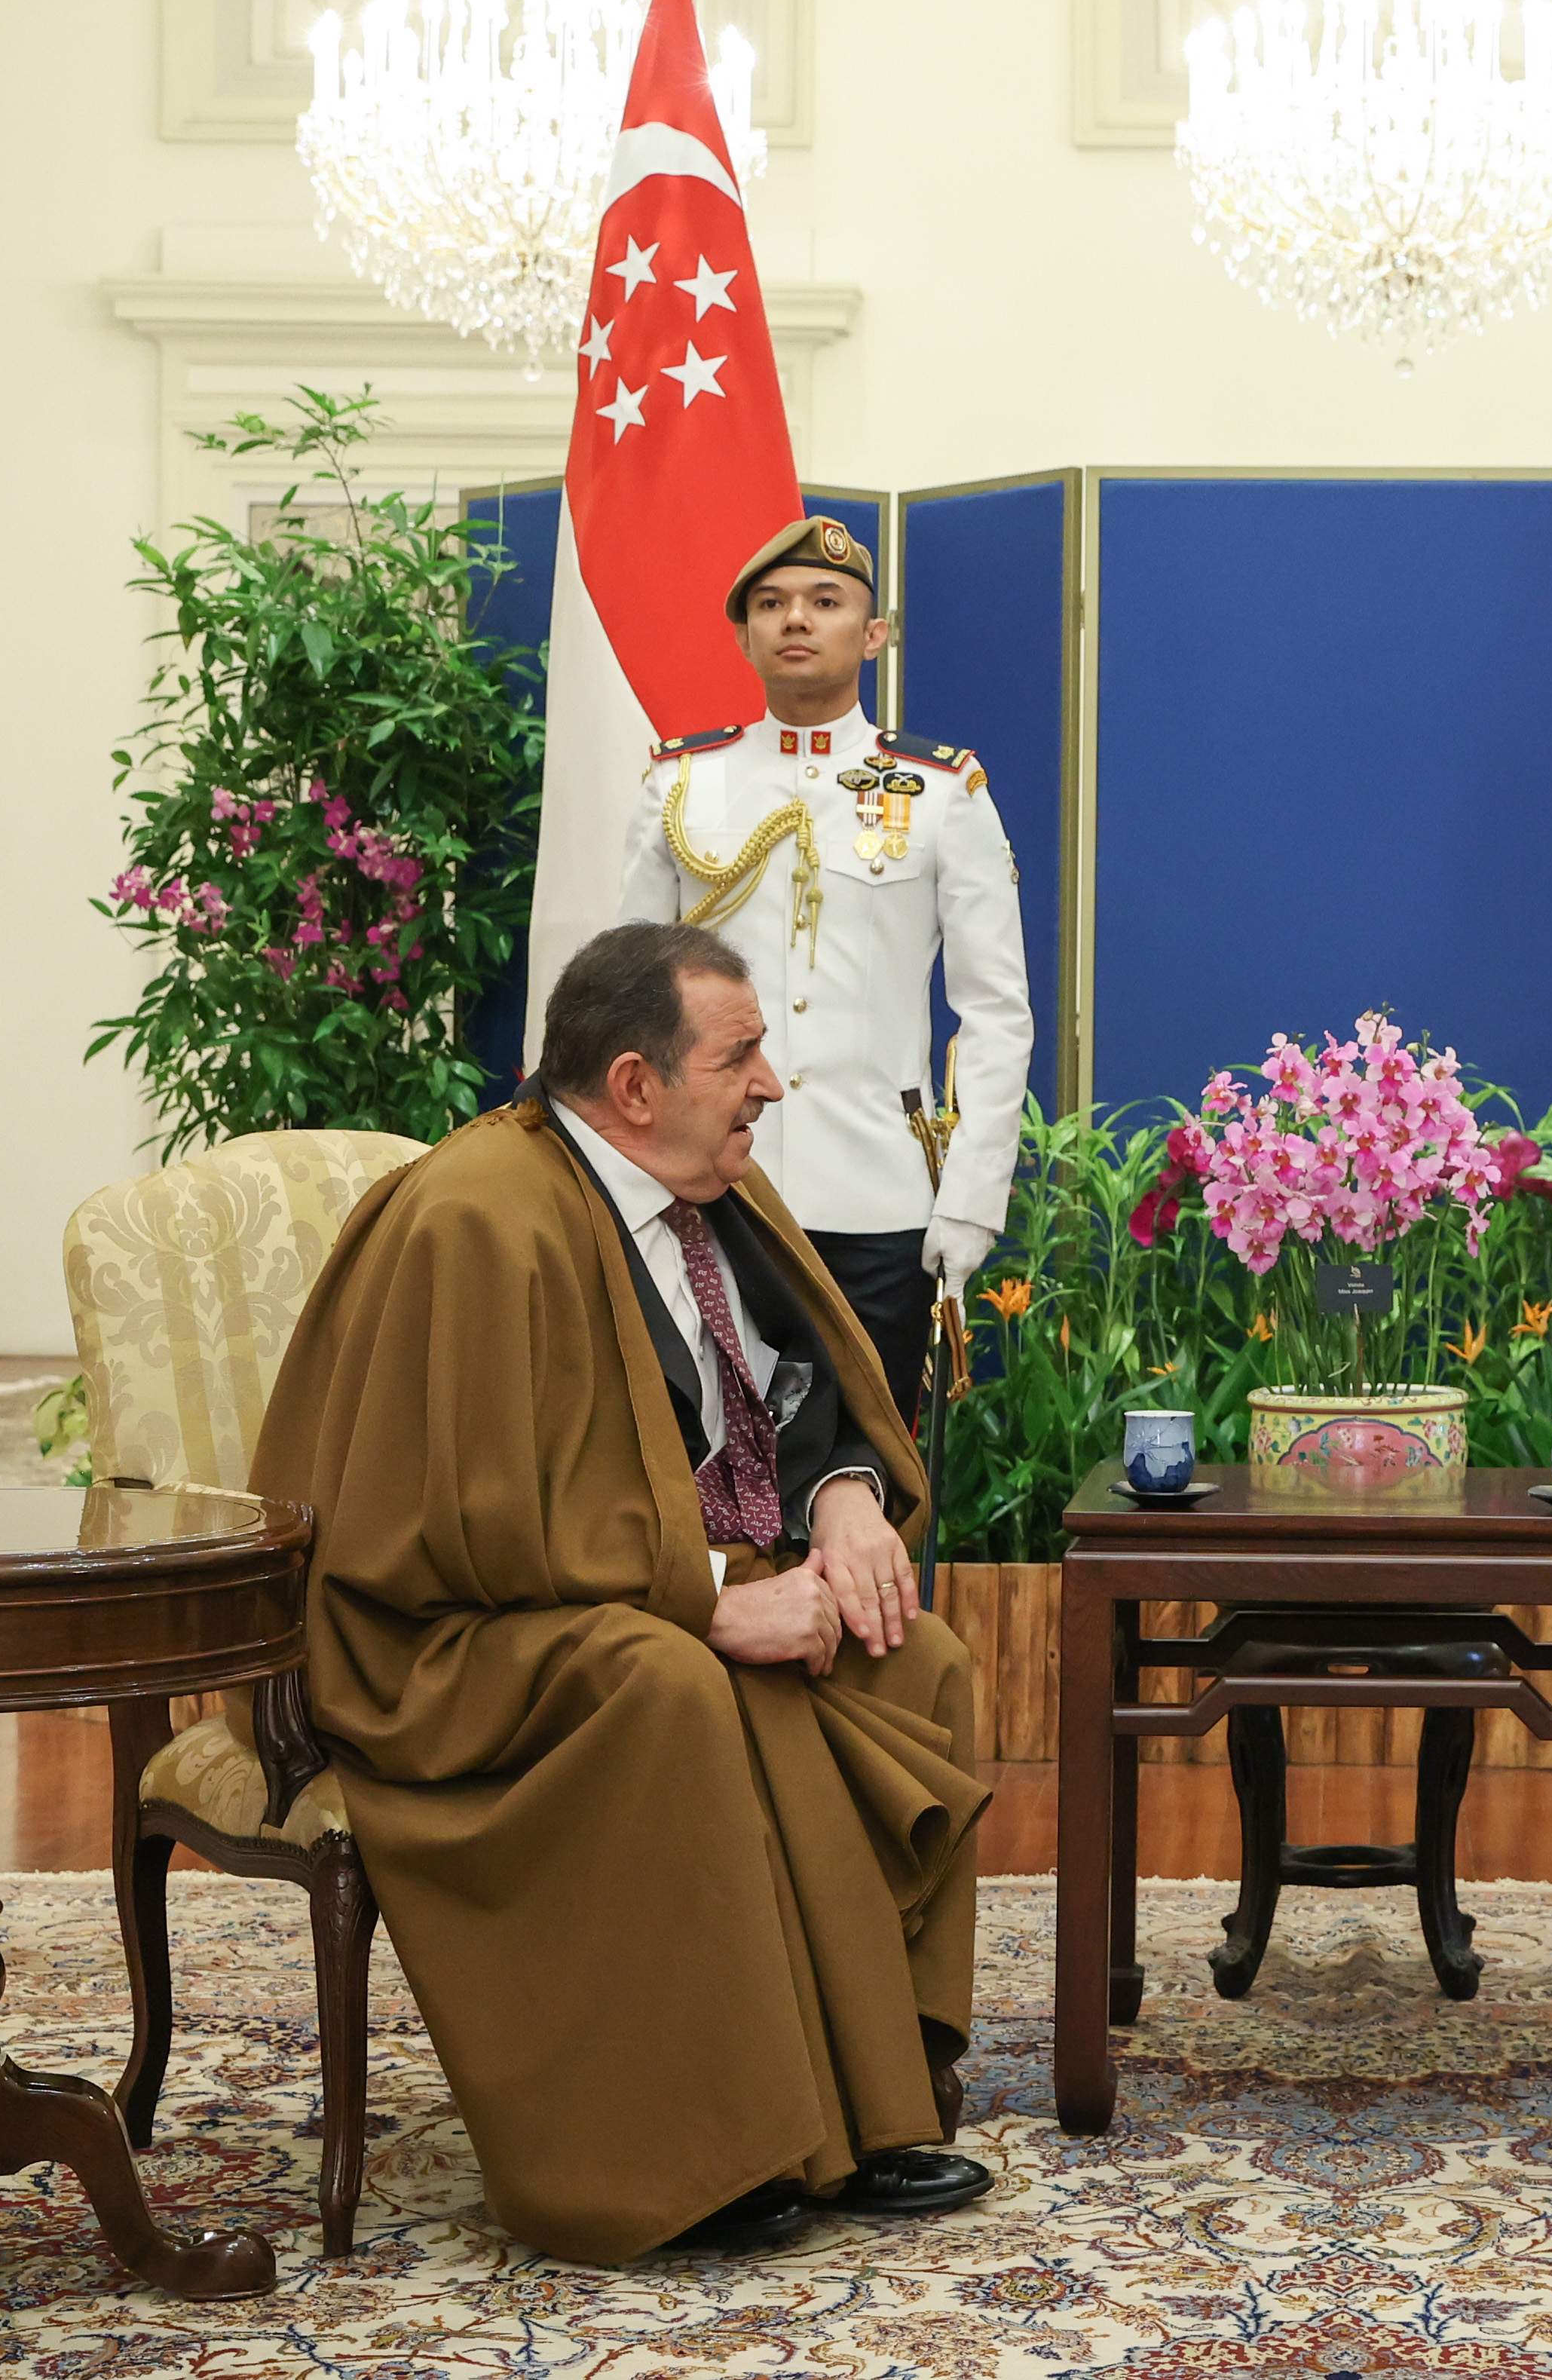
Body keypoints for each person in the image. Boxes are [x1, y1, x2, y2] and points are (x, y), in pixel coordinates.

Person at [255, 919, 991, 2264]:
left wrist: (840, 1501)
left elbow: (803, 1385)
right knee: (673, 1684)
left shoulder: (715, 1183)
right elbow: (469, 1519)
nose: (773, 1083)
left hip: (622, 1592)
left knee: (914, 1655)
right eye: (744, 1054)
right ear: (637, 1084)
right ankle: (704, 2151)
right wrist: (705, 1599)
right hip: (449, 1643)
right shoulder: (482, 1215)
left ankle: (871, 2106)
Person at [624, 511, 1031, 1418]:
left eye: (824, 600)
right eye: (770, 604)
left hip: (877, 1196)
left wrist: (967, 1200)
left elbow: (996, 1010)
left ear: (874, 632)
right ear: (743, 636)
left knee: (870, 1472)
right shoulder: (685, 783)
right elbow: (627, 1000)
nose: (796, 619)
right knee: (713, 1472)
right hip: (707, 1185)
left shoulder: (938, 793)